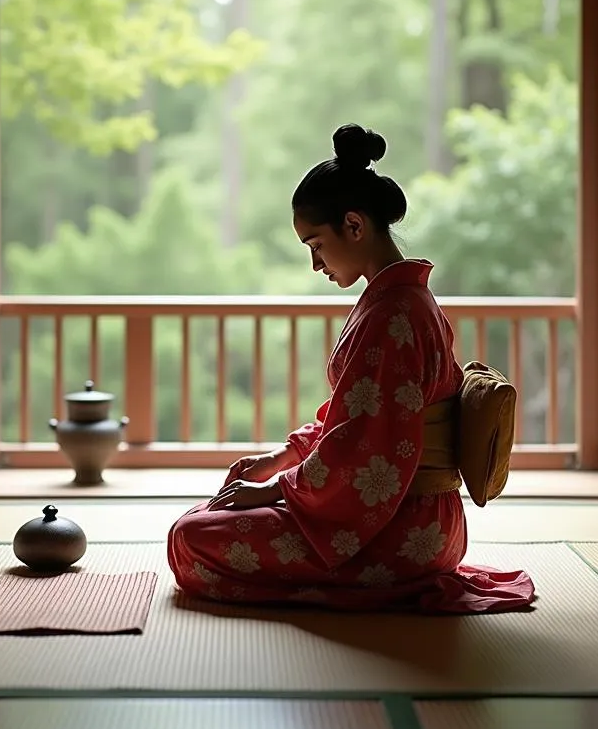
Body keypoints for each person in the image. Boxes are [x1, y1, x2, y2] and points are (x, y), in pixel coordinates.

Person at [167, 124, 535, 613]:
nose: (316, 264)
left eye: (316, 245)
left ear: (355, 226)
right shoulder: (400, 302)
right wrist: (281, 459)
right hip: (420, 525)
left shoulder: (393, 315)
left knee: (191, 539)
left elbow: (367, 453)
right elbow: (349, 424)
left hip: (402, 534)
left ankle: (368, 588)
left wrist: (277, 488)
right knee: (204, 517)